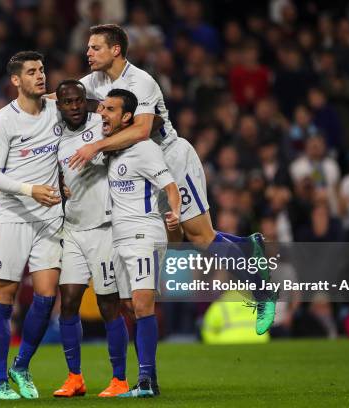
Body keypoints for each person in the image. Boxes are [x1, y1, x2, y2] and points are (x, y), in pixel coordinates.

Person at [63, 24, 275, 335]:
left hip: (170, 160)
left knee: (201, 237)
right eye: (89, 47)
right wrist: (14, 111)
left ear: (116, 50)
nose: (88, 52)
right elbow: (65, 96)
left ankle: (262, 290)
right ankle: (246, 245)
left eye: (95, 47)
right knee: (175, 243)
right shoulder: (96, 80)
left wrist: (95, 145)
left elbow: (142, 130)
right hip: (138, 169)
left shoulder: (141, 82)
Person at [0, 51, 63, 400]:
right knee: (4, 296)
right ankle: (0, 382)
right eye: (31, 72)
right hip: (13, 216)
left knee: (46, 296)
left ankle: (22, 365)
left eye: (42, 70)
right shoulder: (3, 120)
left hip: (49, 218)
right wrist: (31, 190)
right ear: (16, 80)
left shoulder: (57, 109)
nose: (40, 76)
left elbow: (84, 99)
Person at [51, 80, 129, 398]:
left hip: (104, 227)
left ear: (87, 101)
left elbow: (133, 123)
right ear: (59, 105)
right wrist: (57, 183)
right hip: (72, 229)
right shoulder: (53, 134)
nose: (73, 107)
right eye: (66, 102)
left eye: (78, 100)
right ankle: (75, 378)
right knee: (68, 303)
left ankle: (119, 379)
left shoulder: (102, 123)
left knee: (108, 304)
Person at [102, 89, 181, 398]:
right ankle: (150, 378)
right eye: (103, 108)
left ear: (127, 117)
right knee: (128, 306)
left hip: (144, 234)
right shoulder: (112, 150)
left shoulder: (145, 149)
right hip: (119, 237)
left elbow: (170, 186)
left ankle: (145, 379)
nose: (102, 114)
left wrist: (173, 212)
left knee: (142, 302)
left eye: (110, 109)